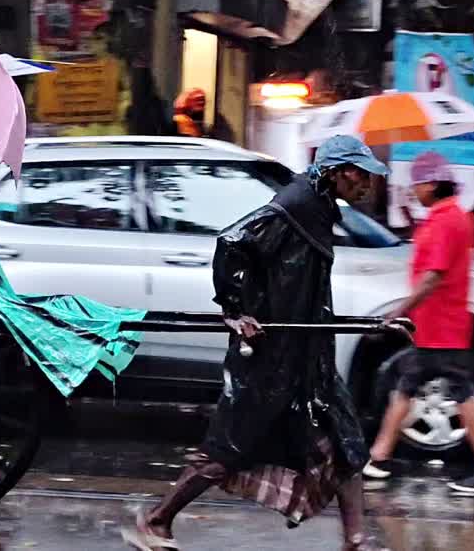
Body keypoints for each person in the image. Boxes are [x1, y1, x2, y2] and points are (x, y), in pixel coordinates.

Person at [127, 135, 389, 551]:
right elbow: (232, 243)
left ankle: (356, 539)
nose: (367, 185)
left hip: (306, 353)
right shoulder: (294, 206)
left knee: (345, 439)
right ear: (337, 172)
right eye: (361, 175)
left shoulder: (319, 208)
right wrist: (236, 309)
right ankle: (158, 521)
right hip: (270, 355)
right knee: (228, 449)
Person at [363, 151, 474, 494]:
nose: (413, 190)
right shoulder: (448, 217)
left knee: (460, 392)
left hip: (441, 326)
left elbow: (433, 276)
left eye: (417, 183)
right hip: (435, 326)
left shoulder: (447, 221)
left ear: (432, 183)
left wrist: (399, 310)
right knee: (407, 383)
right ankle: (378, 458)